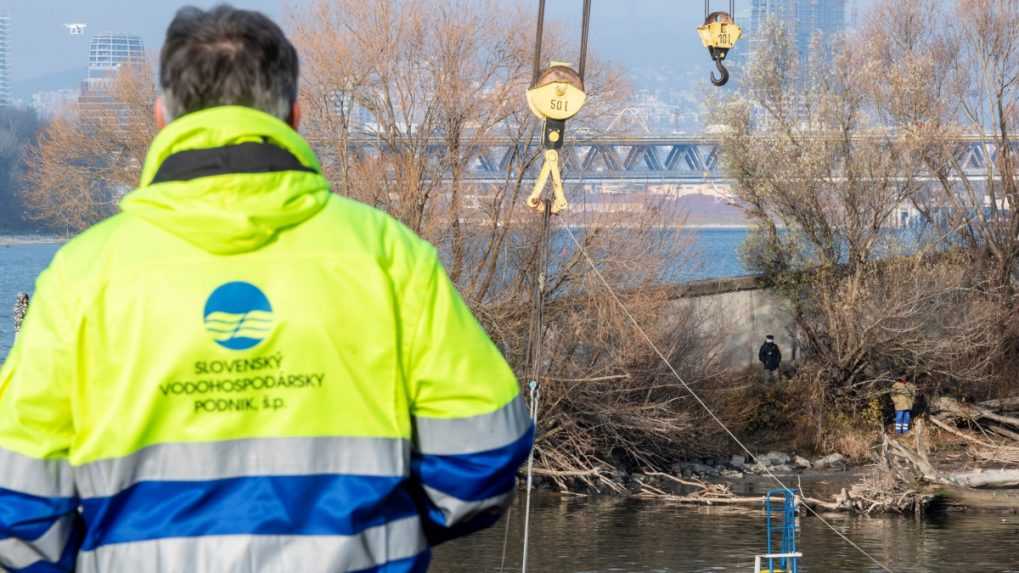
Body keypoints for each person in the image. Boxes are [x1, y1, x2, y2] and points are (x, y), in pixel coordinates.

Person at [0, 6, 532, 572]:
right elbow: (483, 449)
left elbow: (17, 500)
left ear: (162, 117)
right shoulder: (387, 255)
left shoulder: (83, 274)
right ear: (295, 116)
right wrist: (389, 531)